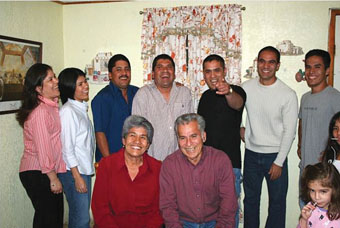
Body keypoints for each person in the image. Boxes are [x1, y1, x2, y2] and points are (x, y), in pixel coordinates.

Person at [241, 46, 298, 228]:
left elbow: (290, 131)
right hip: (250, 155)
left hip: (275, 157)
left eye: (271, 62)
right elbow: (233, 111)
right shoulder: (246, 88)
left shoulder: (288, 94)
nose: (266, 66)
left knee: (277, 204)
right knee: (250, 202)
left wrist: (279, 161)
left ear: (278, 65)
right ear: (257, 63)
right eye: (262, 61)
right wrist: (241, 129)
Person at [160, 113, 237, 227]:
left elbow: (228, 203)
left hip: (215, 222)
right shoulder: (169, 165)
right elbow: (168, 207)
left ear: (203, 136)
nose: (188, 143)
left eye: (193, 136)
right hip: (183, 223)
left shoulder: (221, 160)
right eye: (183, 138)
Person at [197, 54, 246, 228]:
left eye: (217, 70)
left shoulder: (236, 91)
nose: (213, 75)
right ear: (203, 74)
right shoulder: (204, 98)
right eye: (208, 71)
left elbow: (237, 104)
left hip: (230, 166)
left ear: (224, 71)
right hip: (206, 166)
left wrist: (229, 92)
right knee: (209, 213)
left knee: (228, 213)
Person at [16, 63, 66, 228]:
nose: (56, 81)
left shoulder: (50, 107)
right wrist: (53, 178)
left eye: (55, 76)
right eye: (50, 79)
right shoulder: (41, 112)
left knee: (52, 218)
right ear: (38, 88)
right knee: (48, 219)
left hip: (45, 171)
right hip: (38, 172)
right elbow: (44, 148)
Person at [91, 115, 163, 228]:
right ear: (123, 140)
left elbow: (158, 210)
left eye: (143, 137)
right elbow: (100, 208)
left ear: (148, 144)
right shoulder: (107, 165)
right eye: (132, 135)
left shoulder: (157, 168)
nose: (137, 141)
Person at [132, 54, 193, 161]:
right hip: (152, 160)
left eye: (169, 67)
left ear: (174, 73)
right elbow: (137, 130)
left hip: (181, 161)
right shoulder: (143, 94)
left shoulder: (184, 93)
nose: (165, 70)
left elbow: (191, 127)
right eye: (160, 67)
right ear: (153, 74)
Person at [58, 68, 95, 228]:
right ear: (70, 88)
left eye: (85, 81)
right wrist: (77, 177)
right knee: (81, 220)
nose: (85, 86)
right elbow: (67, 148)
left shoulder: (79, 108)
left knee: (81, 217)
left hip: (83, 170)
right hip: (73, 172)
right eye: (80, 84)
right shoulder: (68, 112)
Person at [298, 49, 340, 172]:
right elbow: (301, 122)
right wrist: (300, 146)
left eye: (317, 67)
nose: (311, 71)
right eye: (308, 67)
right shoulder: (305, 98)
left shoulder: (335, 97)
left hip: (327, 168)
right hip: (306, 167)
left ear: (327, 71)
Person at [91, 54, 139, 162]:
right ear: (110, 75)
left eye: (127, 69)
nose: (124, 73)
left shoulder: (137, 93)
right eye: (119, 70)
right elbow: (100, 133)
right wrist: (110, 163)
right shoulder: (102, 98)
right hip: (111, 160)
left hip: (133, 159)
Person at [297, 162, 340, 228]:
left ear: (335, 189)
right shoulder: (310, 209)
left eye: (323, 191)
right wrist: (304, 219)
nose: (316, 197)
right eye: (312, 190)